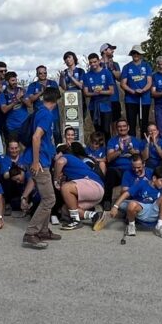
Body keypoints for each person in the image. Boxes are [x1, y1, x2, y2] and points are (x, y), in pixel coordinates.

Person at [22, 87, 60, 249]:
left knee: (46, 197)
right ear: (56, 100)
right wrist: (36, 162)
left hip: (42, 159)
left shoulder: (39, 111)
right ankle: (31, 233)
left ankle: (43, 230)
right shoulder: (46, 114)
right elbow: (36, 137)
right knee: (49, 199)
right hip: (40, 161)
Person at [110, 166, 162, 239]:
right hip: (142, 209)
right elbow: (126, 194)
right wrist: (115, 207)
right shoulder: (142, 183)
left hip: (154, 211)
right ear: (154, 178)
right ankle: (131, 225)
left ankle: (159, 227)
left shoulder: (161, 189)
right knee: (131, 204)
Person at [54, 142, 105, 230]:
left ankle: (76, 221)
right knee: (65, 210)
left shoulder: (66, 156)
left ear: (60, 153)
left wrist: (55, 179)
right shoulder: (73, 164)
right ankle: (95, 215)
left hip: (94, 185)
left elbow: (59, 162)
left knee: (66, 187)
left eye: (56, 154)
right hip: (95, 191)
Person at [104, 118, 147, 210]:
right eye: (119, 127)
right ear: (116, 129)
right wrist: (119, 151)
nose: (122, 128)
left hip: (132, 169)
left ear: (128, 127)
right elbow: (109, 158)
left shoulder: (136, 141)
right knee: (110, 172)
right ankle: (107, 202)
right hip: (117, 170)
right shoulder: (112, 141)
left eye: (124, 126)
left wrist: (132, 151)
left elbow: (141, 157)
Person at [83, 53, 117, 139]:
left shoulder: (106, 73)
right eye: (91, 62)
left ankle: (108, 150)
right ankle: (99, 151)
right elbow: (86, 93)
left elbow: (111, 91)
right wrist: (94, 93)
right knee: (97, 131)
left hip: (105, 105)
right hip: (93, 105)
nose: (93, 64)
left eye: (95, 62)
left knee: (106, 130)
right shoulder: (87, 75)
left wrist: (100, 92)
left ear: (98, 61)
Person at [121, 46, 152, 136]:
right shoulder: (127, 67)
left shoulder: (147, 66)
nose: (136, 55)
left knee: (144, 123)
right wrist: (133, 91)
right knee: (131, 124)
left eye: (137, 53)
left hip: (144, 99)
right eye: (134, 53)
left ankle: (144, 144)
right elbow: (123, 84)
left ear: (141, 54)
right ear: (131, 54)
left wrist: (143, 90)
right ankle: (132, 145)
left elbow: (149, 82)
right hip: (131, 99)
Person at [100, 43, 124, 128]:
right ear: (104, 51)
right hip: (101, 99)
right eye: (111, 49)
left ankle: (115, 140)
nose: (113, 51)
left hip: (114, 97)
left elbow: (119, 78)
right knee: (104, 125)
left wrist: (112, 68)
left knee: (116, 123)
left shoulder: (115, 64)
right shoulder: (97, 64)